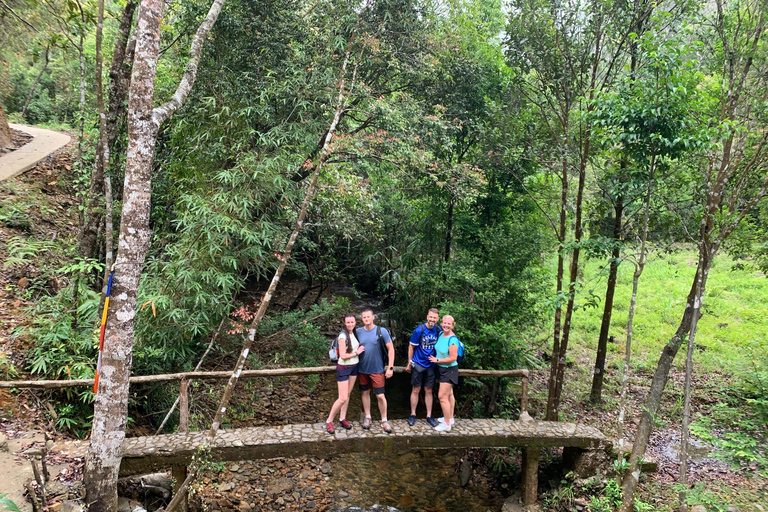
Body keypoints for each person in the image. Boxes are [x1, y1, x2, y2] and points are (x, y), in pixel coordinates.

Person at [356, 308, 395, 433]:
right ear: (362, 319)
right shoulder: (358, 332)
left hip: (377, 369)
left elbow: (391, 349)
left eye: (368, 317)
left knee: (380, 395)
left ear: (373, 317)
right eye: (364, 317)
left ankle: (384, 420)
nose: (366, 319)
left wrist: (390, 367)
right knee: (365, 393)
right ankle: (367, 417)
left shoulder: (381, 331)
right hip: (362, 369)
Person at [325, 314, 365, 434]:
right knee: (342, 397)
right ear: (344, 323)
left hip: (354, 367)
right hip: (344, 367)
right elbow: (342, 355)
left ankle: (342, 418)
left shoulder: (354, 333)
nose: (350, 324)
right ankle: (329, 420)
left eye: (352, 322)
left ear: (355, 322)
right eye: (348, 322)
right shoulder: (342, 336)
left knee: (347, 394)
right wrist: (357, 353)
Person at [405, 308, 441, 426]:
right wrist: (410, 362)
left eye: (434, 317)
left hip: (431, 365)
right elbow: (411, 346)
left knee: (429, 390)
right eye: (430, 317)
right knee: (415, 389)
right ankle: (413, 414)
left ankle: (429, 415)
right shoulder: (419, 330)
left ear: (437, 319)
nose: (432, 319)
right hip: (419, 363)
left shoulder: (438, 330)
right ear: (427, 317)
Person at [428, 314, 459, 432]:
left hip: (449, 369)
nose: (446, 325)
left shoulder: (453, 340)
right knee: (450, 394)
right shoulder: (441, 334)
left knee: (442, 396)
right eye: (444, 323)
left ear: (452, 325)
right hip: (441, 368)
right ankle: (450, 418)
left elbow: (453, 358)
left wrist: (437, 360)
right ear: (441, 324)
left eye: (449, 324)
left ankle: (446, 424)